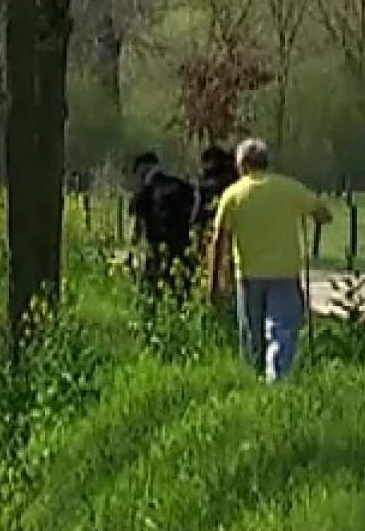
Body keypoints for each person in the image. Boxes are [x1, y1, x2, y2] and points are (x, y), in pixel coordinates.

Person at [207, 138, 333, 382]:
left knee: (251, 334)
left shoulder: (232, 195)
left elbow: (219, 241)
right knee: (282, 331)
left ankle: (253, 381)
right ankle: (277, 381)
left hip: (248, 275)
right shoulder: (289, 188)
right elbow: (324, 214)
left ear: (242, 165)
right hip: (284, 274)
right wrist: (312, 215)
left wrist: (215, 283)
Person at [129, 151, 202, 300]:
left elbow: (137, 226)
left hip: (157, 250)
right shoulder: (181, 185)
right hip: (182, 249)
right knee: (182, 292)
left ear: (144, 169)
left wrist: (132, 248)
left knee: (154, 292)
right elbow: (195, 213)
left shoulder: (144, 192)